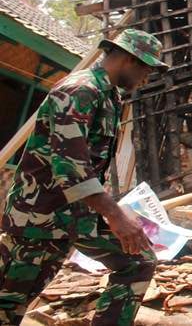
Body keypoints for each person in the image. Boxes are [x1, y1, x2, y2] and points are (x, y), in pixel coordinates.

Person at [0, 29, 169, 325]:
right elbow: (70, 165)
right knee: (8, 306)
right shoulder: (80, 90)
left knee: (138, 261)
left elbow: (89, 167)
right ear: (128, 59)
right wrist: (115, 215)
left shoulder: (110, 97)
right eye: (146, 69)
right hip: (38, 220)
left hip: (74, 219)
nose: (147, 78)